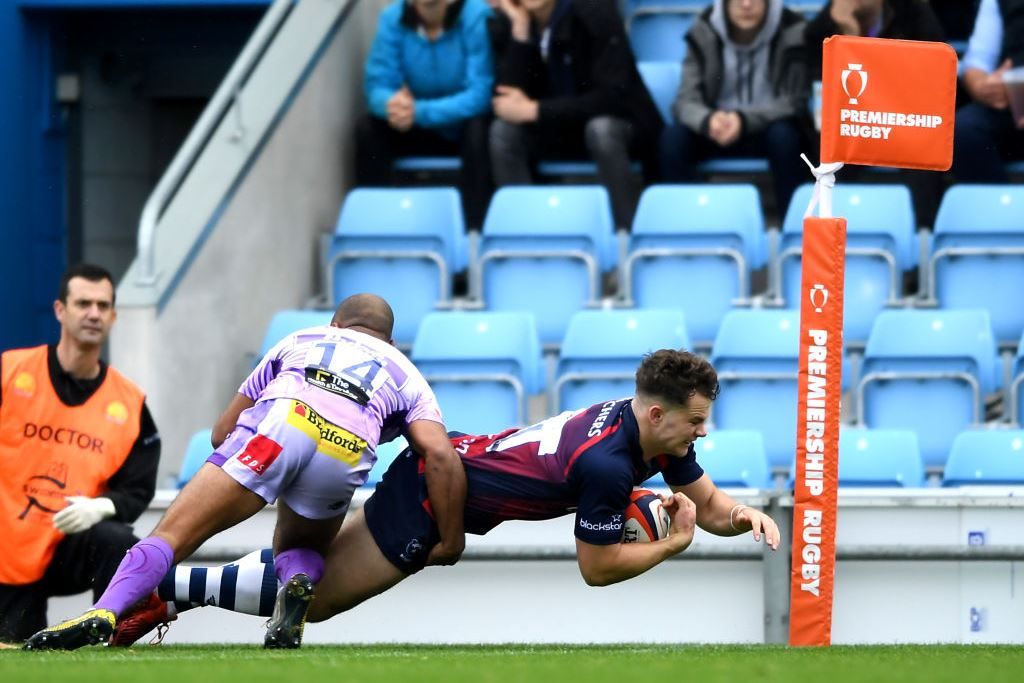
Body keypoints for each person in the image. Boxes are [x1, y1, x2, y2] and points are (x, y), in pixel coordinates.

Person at [109, 350, 782, 647]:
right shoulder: (608, 464)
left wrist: (742, 515)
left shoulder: (649, 435)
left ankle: (170, 588)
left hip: (449, 466)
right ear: (658, 414)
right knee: (322, 594)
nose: (704, 431)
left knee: (306, 585)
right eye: (696, 420)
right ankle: (170, 588)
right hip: (436, 494)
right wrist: (670, 544)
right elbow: (597, 567)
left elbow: (713, 502)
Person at [23, 293, 467, 651]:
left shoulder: (302, 339)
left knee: (171, 537)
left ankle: (107, 609)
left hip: (280, 426)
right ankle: (296, 583)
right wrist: (450, 540)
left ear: (335, 325)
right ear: (390, 342)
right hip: (347, 452)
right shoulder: (408, 374)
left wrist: (254, 473)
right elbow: (441, 456)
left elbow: (221, 432)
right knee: (297, 547)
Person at [0, 264, 161, 645]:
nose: (93, 313)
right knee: (15, 652)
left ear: (113, 316)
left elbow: (138, 490)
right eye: (83, 303)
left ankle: (111, 636)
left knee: (116, 538)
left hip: (68, 544)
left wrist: (100, 507)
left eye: (103, 306)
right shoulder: (10, 372)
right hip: (7, 542)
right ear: (60, 310)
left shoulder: (130, 403)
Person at [488, 0, 663, 229]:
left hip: (623, 125)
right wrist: (520, 34)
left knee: (602, 131)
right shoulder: (510, 22)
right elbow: (507, 99)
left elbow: (611, 98)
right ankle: (527, 235)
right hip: (558, 127)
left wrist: (536, 110)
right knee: (503, 132)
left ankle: (627, 235)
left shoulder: (595, 12)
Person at [659, 0, 811, 216]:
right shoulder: (703, 29)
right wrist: (707, 120)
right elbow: (684, 101)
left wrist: (744, 120)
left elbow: (794, 101)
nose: (747, 5)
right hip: (716, 128)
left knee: (785, 136)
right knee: (673, 137)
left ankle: (793, 222)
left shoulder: (793, 30)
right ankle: (682, 219)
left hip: (767, 127)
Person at [356, 0, 495, 229]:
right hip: (415, 126)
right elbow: (376, 86)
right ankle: (373, 224)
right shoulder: (392, 18)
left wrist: (419, 112)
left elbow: (479, 95)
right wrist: (392, 105)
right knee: (368, 129)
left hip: (460, 127)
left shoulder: (476, 15)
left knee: (479, 128)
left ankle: (474, 230)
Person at [951, 0, 1024, 183]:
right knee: (964, 130)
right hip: (1011, 103)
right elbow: (977, 62)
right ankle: (998, 207)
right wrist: (982, 86)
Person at [804, 0, 945, 80]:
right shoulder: (820, 30)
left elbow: (934, 75)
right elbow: (822, 102)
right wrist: (849, 36)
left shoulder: (913, 13)